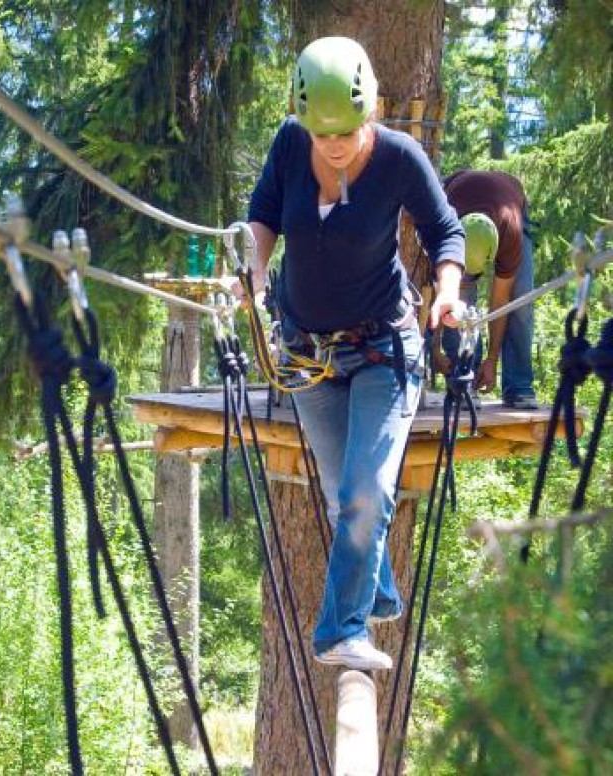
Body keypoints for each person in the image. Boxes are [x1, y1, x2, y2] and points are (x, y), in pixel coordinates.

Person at [236, 36, 465, 671]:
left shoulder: (398, 157)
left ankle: (342, 630)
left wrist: (446, 292)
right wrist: (251, 271)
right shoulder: (288, 144)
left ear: (371, 114)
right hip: (306, 356)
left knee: (367, 491)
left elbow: (445, 230)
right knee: (347, 496)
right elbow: (262, 218)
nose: (334, 146)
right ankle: (379, 590)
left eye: (348, 132)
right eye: (321, 133)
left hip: (384, 349)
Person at [439, 170, 537, 409]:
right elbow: (435, 294)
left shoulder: (510, 232)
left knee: (520, 300)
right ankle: (463, 381)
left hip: (511, 205)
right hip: (457, 197)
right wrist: (434, 351)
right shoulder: (443, 225)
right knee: (459, 305)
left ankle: (519, 386)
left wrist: (491, 359)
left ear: (493, 253)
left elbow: (500, 301)